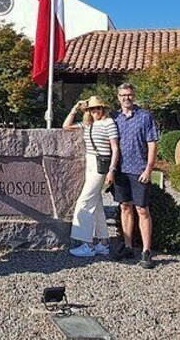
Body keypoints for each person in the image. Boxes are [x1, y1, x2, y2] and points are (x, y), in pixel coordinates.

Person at [62, 95, 120, 257]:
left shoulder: (109, 123)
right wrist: (75, 108)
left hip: (100, 165)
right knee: (97, 204)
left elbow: (115, 148)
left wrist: (112, 169)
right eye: (92, 109)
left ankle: (87, 244)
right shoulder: (88, 124)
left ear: (103, 109)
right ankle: (103, 242)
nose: (96, 111)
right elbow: (66, 126)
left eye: (98, 108)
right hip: (90, 163)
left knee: (84, 202)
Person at [112, 83, 160, 269]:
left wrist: (149, 169)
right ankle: (127, 246)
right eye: (123, 95)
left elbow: (152, 144)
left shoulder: (145, 117)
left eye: (130, 94)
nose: (127, 98)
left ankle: (146, 251)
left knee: (142, 209)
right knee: (125, 207)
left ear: (134, 95)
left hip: (139, 171)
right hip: (121, 171)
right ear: (118, 97)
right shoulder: (114, 118)